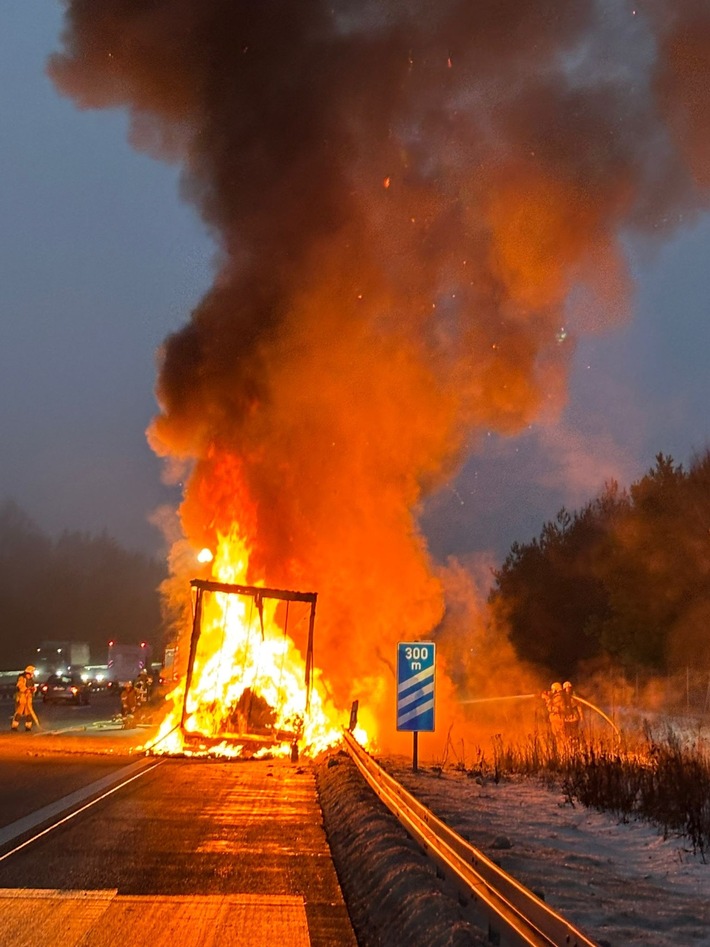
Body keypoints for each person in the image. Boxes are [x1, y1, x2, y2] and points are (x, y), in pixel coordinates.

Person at [12, 665, 37, 732]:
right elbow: (20, 685)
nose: (33, 673)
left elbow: (33, 687)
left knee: (28, 712)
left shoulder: (31, 679)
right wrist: (26, 690)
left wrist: (33, 689)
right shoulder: (22, 678)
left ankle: (28, 727)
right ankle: (14, 726)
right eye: (32, 671)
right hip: (22, 697)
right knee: (19, 711)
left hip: (29, 697)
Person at [561, 680, 582, 746]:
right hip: (566, 719)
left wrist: (581, 716)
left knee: (574, 733)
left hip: (574, 718)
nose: (568, 690)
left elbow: (579, 706)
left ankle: (576, 744)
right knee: (567, 734)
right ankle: (568, 744)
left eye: (569, 688)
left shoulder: (574, 696)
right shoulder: (562, 697)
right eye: (566, 688)